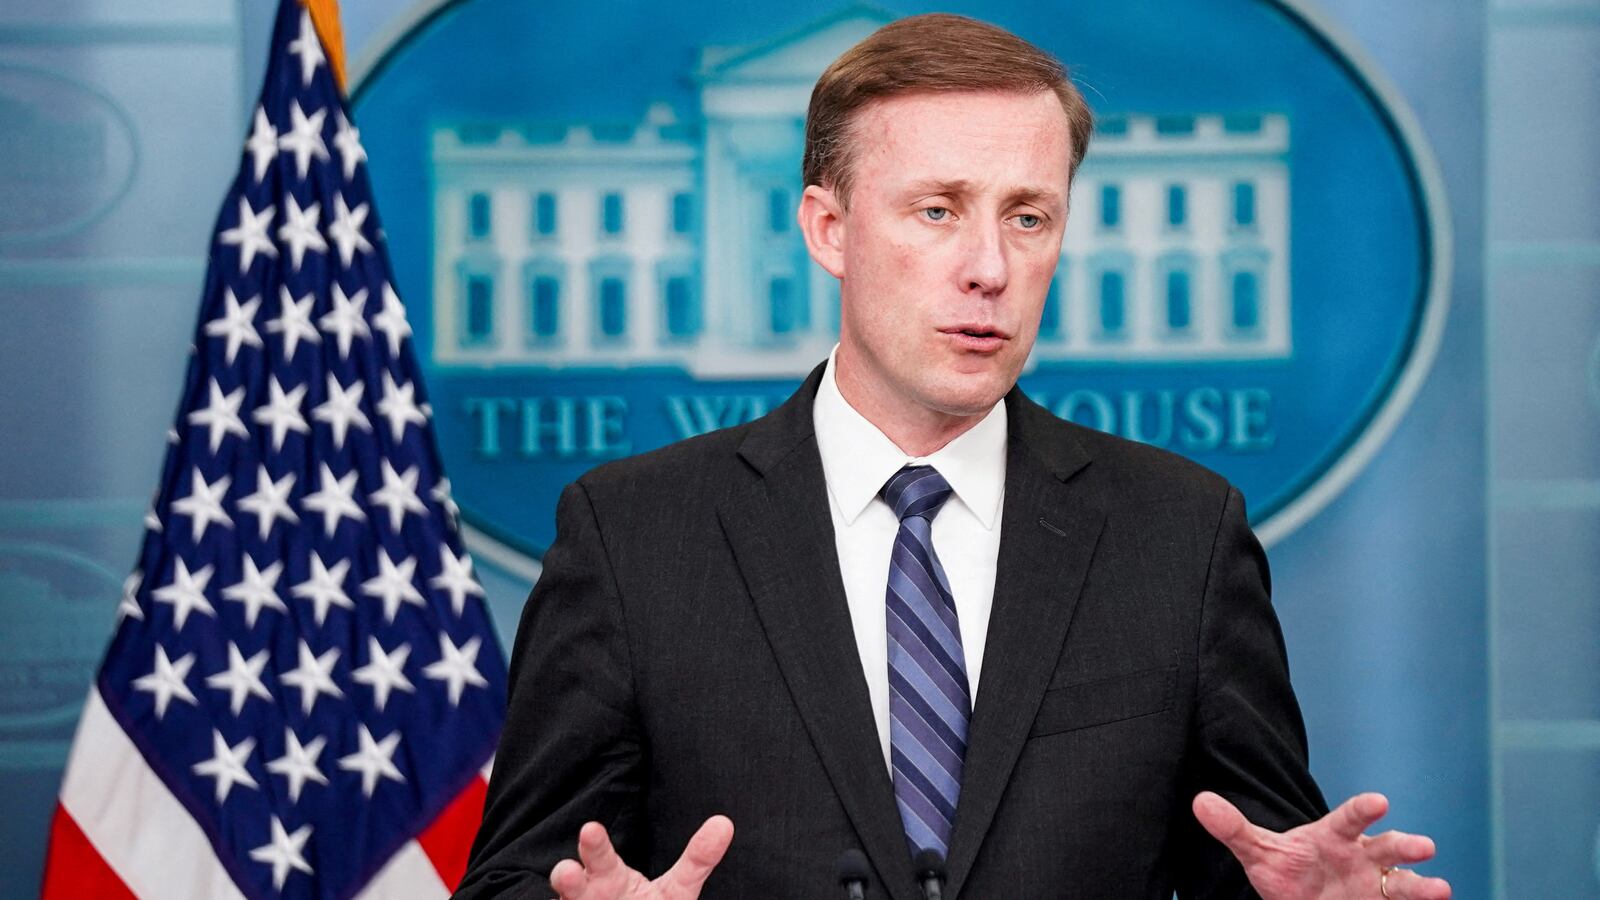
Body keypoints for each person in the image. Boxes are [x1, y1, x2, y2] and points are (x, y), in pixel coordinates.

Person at [456, 14, 1450, 900]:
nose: (989, 267)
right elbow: (512, 876)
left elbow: (1252, 858)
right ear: (828, 229)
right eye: (937, 210)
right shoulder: (636, 538)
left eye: (1028, 216)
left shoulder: (1179, 535)